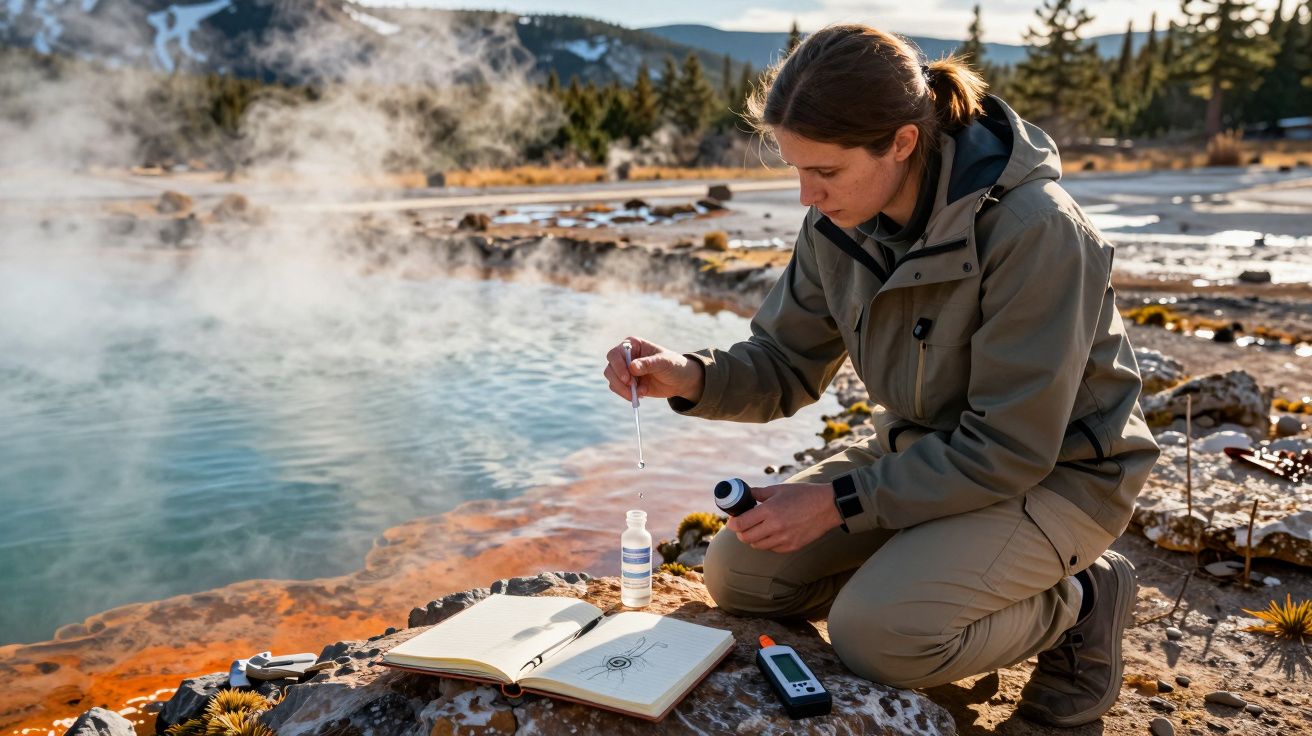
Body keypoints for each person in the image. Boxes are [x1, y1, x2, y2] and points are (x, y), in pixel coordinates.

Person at [603, 23, 1160, 728]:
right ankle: (935, 576)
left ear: (901, 141)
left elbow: (1010, 448)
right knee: (741, 575)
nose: (807, 196)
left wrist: (840, 503)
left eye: (826, 172)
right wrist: (686, 375)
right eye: (796, 170)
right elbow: (784, 364)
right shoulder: (840, 221)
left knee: (879, 637)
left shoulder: (1035, 230)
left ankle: (1080, 598)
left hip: (1060, 474)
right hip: (924, 451)